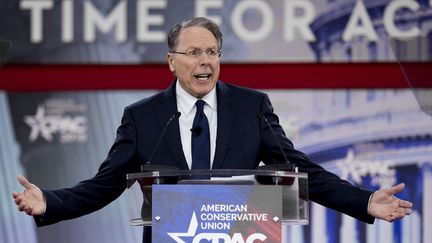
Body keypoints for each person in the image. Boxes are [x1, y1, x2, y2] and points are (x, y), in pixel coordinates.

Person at [13, 17, 412, 242]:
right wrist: (51, 202)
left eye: (212, 53)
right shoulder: (143, 116)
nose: (205, 62)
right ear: (171, 61)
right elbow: (105, 184)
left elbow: (301, 170)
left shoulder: (252, 106)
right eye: (193, 53)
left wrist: (364, 202)